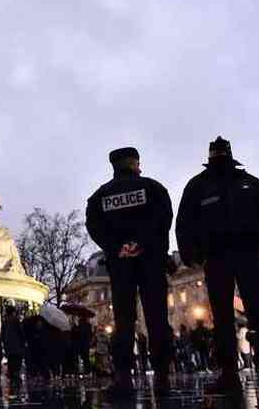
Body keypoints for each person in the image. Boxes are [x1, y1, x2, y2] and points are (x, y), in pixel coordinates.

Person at [176, 136, 259, 393]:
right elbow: (184, 224)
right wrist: (190, 253)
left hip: (248, 253)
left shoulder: (248, 183)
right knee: (224, 317)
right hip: (216, 257)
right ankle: (229, 373)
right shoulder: (199, 187)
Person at [85, 146, 174, 397]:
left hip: (120, 263)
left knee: (124, 321)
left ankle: (123, 377)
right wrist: (143, 243)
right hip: (151, 260)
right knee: (157, 318)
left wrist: (118, 247)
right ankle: (162, 377)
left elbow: (94, 227)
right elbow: (163, 221)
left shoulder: (99, 196)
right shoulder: (153, 188)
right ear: (134, 163)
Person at [0, 306, 25, 383]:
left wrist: (4, 342)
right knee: (17, 360)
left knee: (11, 360)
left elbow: (2, 334)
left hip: (8, 345)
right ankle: (16, 375)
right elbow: (21, 332)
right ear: (13, 312)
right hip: (17, 345)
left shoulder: (5, 321)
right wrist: (23, 342)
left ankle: (12, 375)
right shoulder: (15, 320)